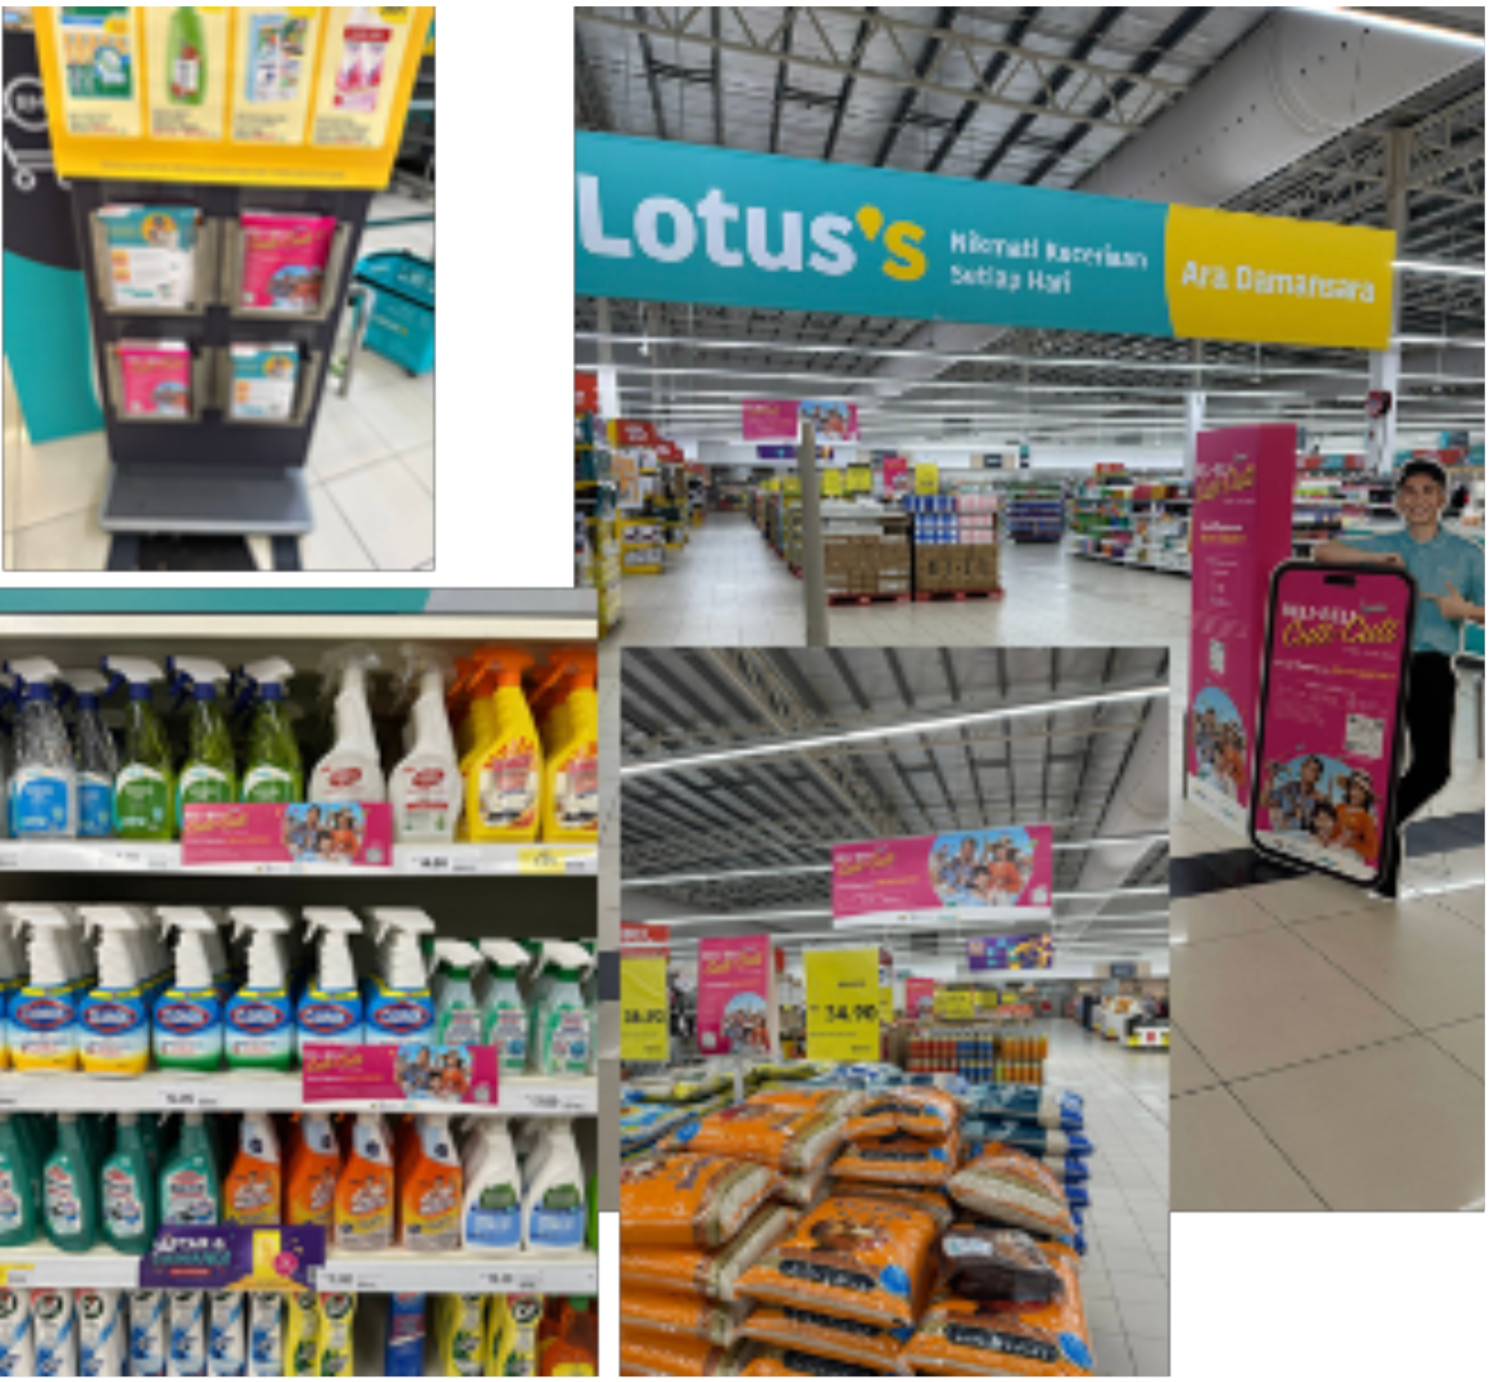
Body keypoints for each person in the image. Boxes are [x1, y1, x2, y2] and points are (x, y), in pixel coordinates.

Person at [1315, 457, 1485, 895]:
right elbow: (1323, 553)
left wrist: (1466, 610)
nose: (1418, 499)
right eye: (1410, 491)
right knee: (1377, 765)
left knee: (1433, 768)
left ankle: (1371, 829)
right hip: (1375, 668)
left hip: (1430, 668)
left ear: (1443, 498)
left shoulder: (1468, 554)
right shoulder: (1385, 543)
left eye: (1428, 490)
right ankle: (1382, 872)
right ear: (1399, 500)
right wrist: (1376, 560)